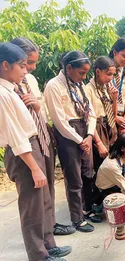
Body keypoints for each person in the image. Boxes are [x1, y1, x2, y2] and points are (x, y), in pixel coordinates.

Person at [0, 42, 70, 261]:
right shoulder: (3, 94)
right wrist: (33, 166)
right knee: (31, 206)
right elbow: (16, 135)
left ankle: (48, 244)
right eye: (22, 65)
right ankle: (39, 255)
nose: (26, 71)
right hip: (23, 152)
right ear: (5, 65)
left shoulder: (11, 88)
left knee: (43, 200)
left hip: (32, 146)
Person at [10, 37, 75, 235]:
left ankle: (50, 226)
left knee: (47, 188)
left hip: (42, 137)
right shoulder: (7, 87)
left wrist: (37, 106)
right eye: (28, 62)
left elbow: (41, 108)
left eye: (33, 62)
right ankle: (39, 244)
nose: (32, 67)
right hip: (24, 142)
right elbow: (13, 128)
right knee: (32, 197)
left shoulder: (29, 80)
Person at [44, 51, 99, 232]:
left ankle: (87, 209)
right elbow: (59, 121)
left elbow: (91, 113)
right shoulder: (54, 86)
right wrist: (79, 139)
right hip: (68, 135)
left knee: (87, 173)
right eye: (81, 72)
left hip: (85, 133)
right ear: (68, 68)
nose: (84, 77)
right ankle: (77, 217)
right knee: (74, 178)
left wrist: (90, 135)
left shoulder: (79, 85)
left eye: (85, 73)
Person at [86, 56, 119, 213]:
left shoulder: (106, 87)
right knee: (100, 166)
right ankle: (96, 202)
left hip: (109, 126)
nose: (110, 78)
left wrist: (115, 98)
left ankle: (108, 199)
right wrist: (98, 142)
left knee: (109, 164)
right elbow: (89, 119)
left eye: (113, 74)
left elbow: (112, 113)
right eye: (108, 74)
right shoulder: (89, 89)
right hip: (97, 128)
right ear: (97, 71)